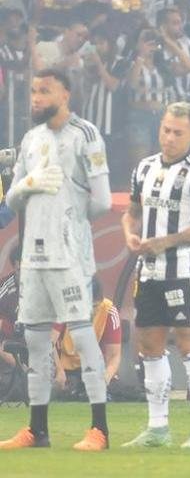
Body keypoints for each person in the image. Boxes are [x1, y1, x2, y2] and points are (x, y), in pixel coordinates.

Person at [0, 68, 112, 452]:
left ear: (65, 94)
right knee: (35, 340)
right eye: (33, 90)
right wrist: (29, 184)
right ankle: (37, 430)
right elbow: (12, 198)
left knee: (81, 333)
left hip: (69, 255)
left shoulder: (86, 134)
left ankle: (99, 429)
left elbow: (102, 200)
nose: (36, 97)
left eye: (45, 91)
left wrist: (69, 217)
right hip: (33, 256)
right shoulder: (31, 139)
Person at [121, 103, 190, 449]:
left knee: (189, 339)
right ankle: (157, 427)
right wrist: (129, 235)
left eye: (178, 132)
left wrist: (167, 241)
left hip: (182, 269)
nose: (170, 138)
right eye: (166, 130)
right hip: (148, 271)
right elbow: (131, 213)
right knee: (150, 343)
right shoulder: (144, 167)